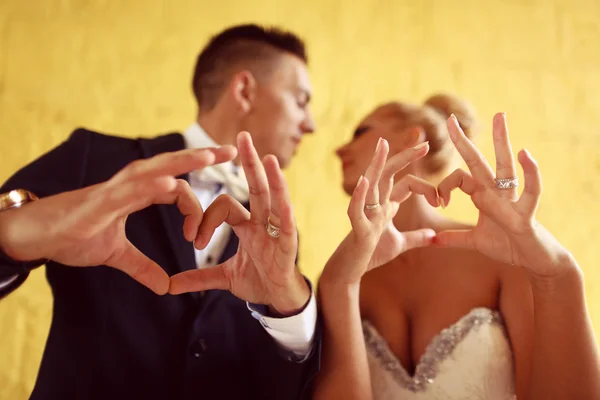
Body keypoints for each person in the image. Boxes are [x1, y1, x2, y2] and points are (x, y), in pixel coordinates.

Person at [0, 24, 320, 400]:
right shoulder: (97, 162)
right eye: (301, 100)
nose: (311, 124)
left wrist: (292, 313)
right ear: (245, 90)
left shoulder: (275, 236)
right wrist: (14, 237)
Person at [312, 105, 600, 398]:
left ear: (411, 137)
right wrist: (338, 286)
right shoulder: (341, 275)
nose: (339, 150)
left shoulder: (504, 256)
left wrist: (556, 274)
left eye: (361, 131)